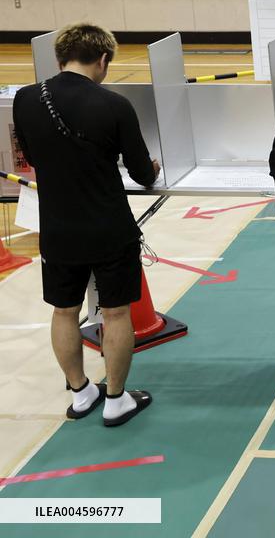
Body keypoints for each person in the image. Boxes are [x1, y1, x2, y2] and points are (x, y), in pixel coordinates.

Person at [13, 23, 160, 427]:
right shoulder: (114, 105)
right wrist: (153, 168)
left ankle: (81, 394)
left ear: (60, 57)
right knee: (115, 313)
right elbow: (142, 173)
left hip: (57, 228)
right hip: (108, 227)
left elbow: (32, 156)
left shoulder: (25, 99)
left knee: (64, 311)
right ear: (103, 59)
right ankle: (116, 400)